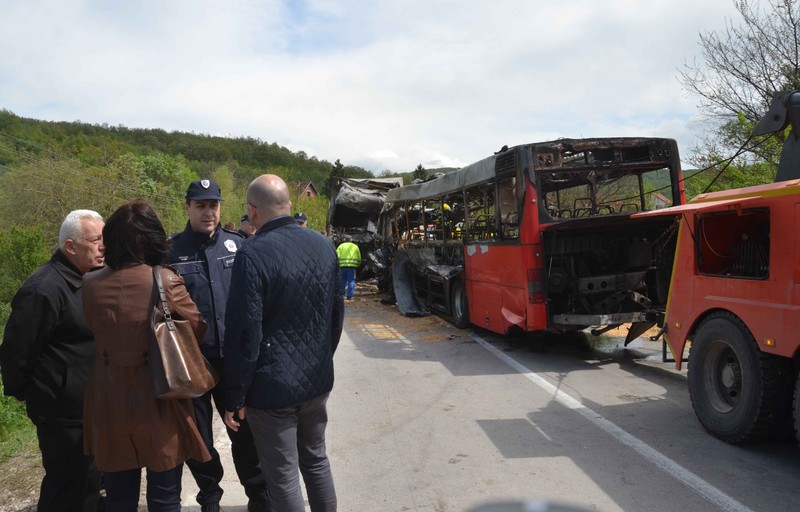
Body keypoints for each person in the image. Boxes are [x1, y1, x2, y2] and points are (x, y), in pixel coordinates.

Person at [224, 174, 344, 512]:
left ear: (253, 211)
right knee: (316, 460)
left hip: (272, 389)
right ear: (289, 205)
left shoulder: (253, 254)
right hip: (316, 382)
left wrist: (236, 394)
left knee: (283, 475)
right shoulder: (324, 246)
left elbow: (245, 333)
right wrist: (321, 359)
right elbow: (336, 316)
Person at [82, 199, 211, 511]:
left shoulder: (89, 284)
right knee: (165, 497)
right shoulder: (165, 280)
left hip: (108, 398)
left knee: (118, 498)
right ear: (152, 237)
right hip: (160, 398)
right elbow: (196, 327)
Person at [168, 179, 268, 512]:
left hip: (233, 364)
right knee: (199, 439)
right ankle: (210, 495)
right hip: (192, 364)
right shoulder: (171, 252)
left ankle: (258, 497)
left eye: (213, 205)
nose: (208, 212)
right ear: (187, 207)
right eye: (200, 205)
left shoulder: (240, 246)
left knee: (244, 434)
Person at [0, 210, 104, 512]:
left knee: (89, 482)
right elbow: (17, 350)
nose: (103, 247)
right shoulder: (43, 289)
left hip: (88, 404)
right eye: (95, 240)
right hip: (62, 410)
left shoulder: (87, 279)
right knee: (66, 487)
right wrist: (20, 390)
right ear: (70, 246)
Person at [336, 236, 361, 300]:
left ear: (345, 240)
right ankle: (349, 295)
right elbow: (359, 257)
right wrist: (358, 264)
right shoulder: (355, 247)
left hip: (342, 266)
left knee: (342, 280)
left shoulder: (341, 246)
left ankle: (341, 294)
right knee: (351, 280)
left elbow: (336, 256)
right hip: (352, 267)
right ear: (351, 240)